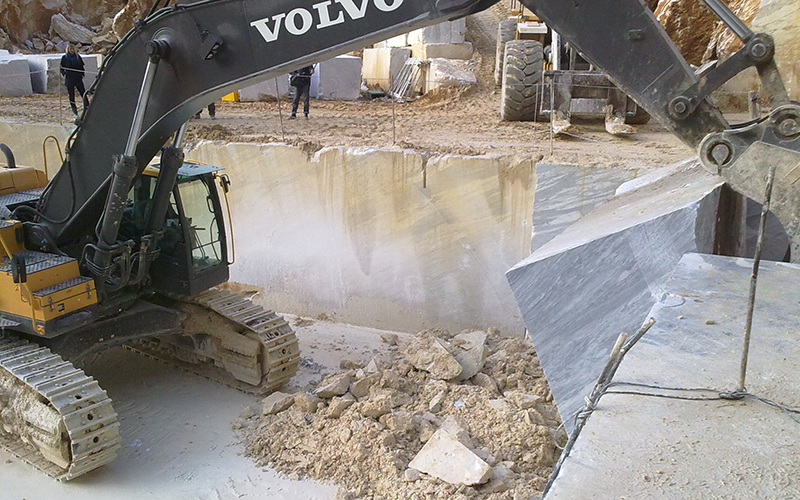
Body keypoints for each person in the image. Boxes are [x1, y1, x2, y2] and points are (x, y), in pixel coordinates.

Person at [60, 43, 89, 117]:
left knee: (83, 93)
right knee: (71, 95)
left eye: (73, 49)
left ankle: (87, 107)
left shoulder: (78, 57)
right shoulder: (65, 58)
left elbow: (82, 67)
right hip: (69, 78)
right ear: (68, 50)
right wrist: (64, 74)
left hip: (78, 78)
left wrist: (82, 74)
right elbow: (61, 68)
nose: (72, 50)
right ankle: (74, 110)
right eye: (70, 49)